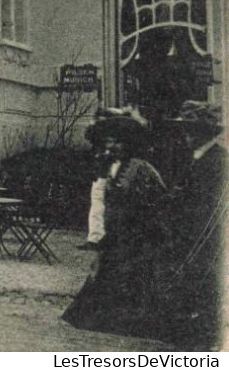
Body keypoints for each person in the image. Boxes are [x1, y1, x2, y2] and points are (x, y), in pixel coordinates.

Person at [62, 113, 171, 341]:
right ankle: (104, 319)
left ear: (130, 143)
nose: (113, 146)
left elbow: (158, 201)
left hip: (138, 233)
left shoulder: (142, 168)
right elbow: (102, 201)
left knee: (134, 277)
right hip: (117, 232)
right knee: (107, 273)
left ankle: (130, 322)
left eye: (118, 141)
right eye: (109, 141)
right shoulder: (110, 166)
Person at [155, 104, 225, 350]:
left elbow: (206, 206)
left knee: (202, 290)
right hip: (191, 238)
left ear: (201, 132)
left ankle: (200, 346)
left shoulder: (216, 161)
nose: (185, 135)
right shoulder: (197, 158)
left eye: (189, 130)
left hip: (203, 239)